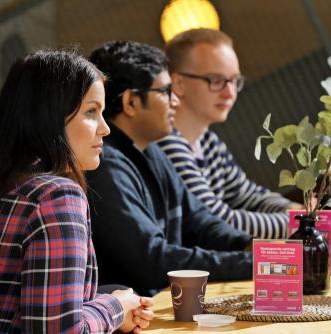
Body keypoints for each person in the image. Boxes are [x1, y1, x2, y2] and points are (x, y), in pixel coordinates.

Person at [0, 50, 153, 333]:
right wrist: (116, 307)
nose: (105, 129)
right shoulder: (56, 196)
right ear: (49, 117)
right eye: (91, 112)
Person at [87, 41, 253, 297]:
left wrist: (248, 246)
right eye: (165, 91)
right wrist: (252, 264)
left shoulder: (151, 150)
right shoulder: (106, 165)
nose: (176, 101)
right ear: (131, 102)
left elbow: (200, 222)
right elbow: (152, 260)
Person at [157, 28, 302, 239]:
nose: (230, 92)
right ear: (178, 84)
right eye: (216, 80)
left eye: (234, 80)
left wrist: (293, 208)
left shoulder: (208, 142)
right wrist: (301, 221)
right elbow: (217, 221)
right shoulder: (167, 143)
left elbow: (248, 196)